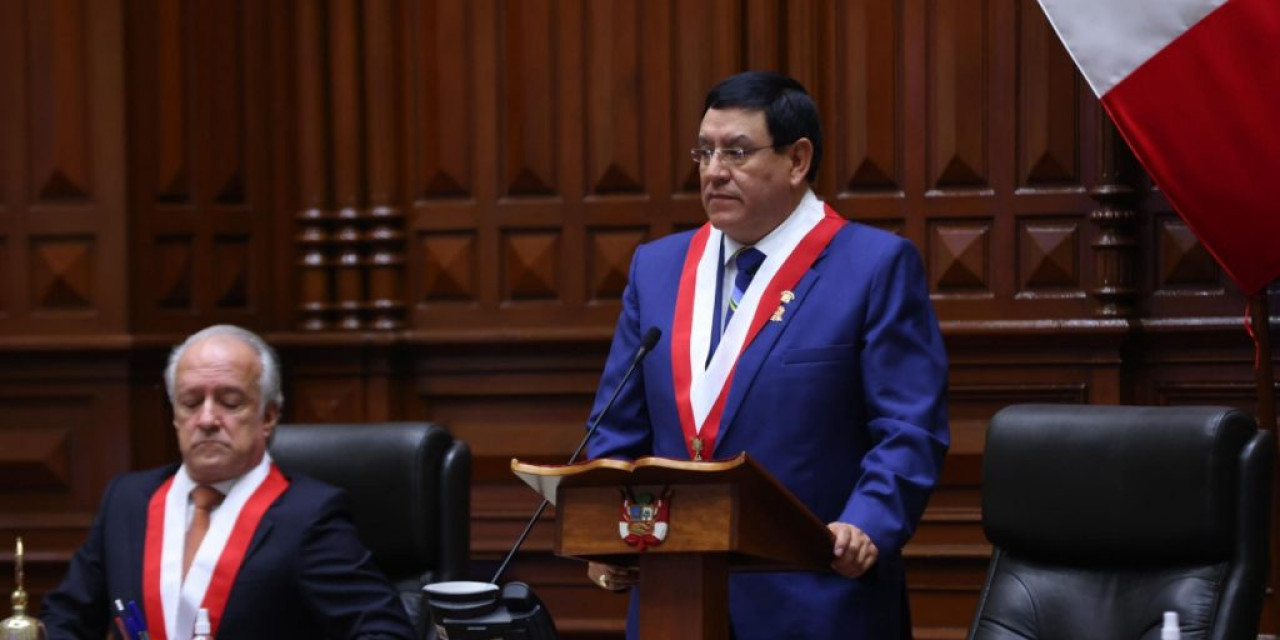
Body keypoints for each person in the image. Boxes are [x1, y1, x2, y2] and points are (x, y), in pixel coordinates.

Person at [583, 71, 949, 639]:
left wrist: (866, 525)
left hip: (818, 597)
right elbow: (616, 426)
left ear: (798, 160)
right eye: (704, 152)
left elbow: (909, 428)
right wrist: (606, 531)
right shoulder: (657, 268)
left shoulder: (873, 266)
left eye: (736, 151)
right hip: (673, 602)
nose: (713, 171)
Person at [40, 325, 415, 639]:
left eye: (230, 402)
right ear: (174, 415)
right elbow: (67, 619)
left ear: (267, 416)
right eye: (190, 402)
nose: (206, 419)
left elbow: (384, 630)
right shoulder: (128, 500)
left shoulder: (308, 515)